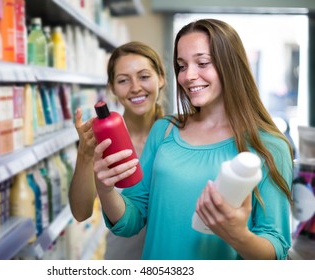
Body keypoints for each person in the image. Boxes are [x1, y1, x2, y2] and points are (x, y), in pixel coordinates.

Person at [92, 19, 293, 260]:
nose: (188, 76)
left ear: (231, 65)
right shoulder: (164, 130)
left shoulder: (269, 146)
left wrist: (238, 234)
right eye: (182, 65)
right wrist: (105, 189)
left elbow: (276, 248)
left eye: (202, 63)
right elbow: (131, 220)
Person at [68, 41, 167, 259]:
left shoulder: (177, 134)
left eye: (144, 76)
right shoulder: (103, 141)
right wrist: (85, 154)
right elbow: (81, 213)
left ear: (161, 78)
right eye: (123, 80)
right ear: (112, 88)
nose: (135, 87)